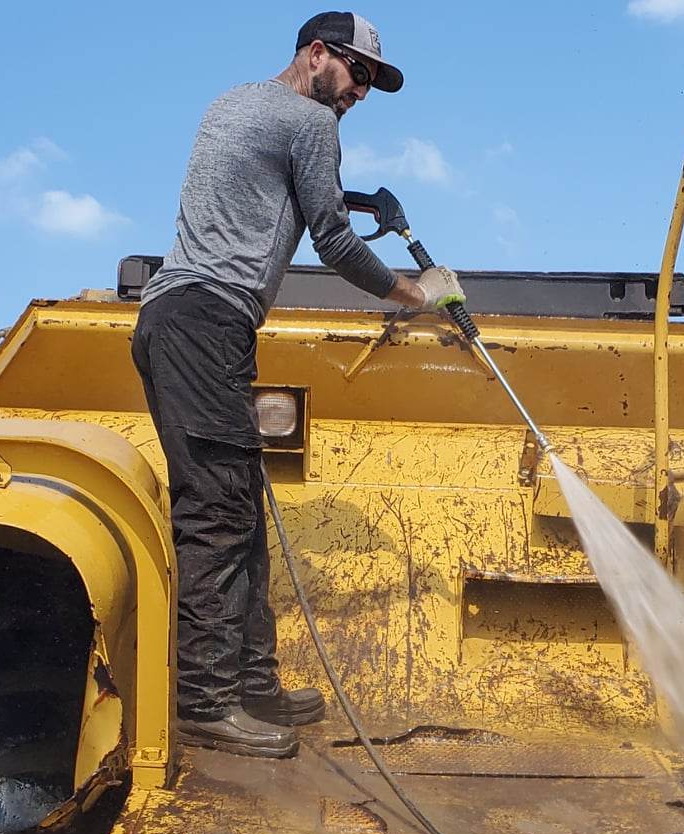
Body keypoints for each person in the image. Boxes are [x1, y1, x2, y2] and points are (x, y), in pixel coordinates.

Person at [132, 11, 465, 760]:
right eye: (357, 73)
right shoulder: (313, 123)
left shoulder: (235, 104)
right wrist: (418, 293)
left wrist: (354, 196)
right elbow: (333, 242)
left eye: (373, 82)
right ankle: (208, 702)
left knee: (241, 508)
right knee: (218, 514)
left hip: (173, 321)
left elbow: (278, 184)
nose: (362, 93)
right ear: (317, 55)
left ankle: (252, 684)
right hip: (209, 322)